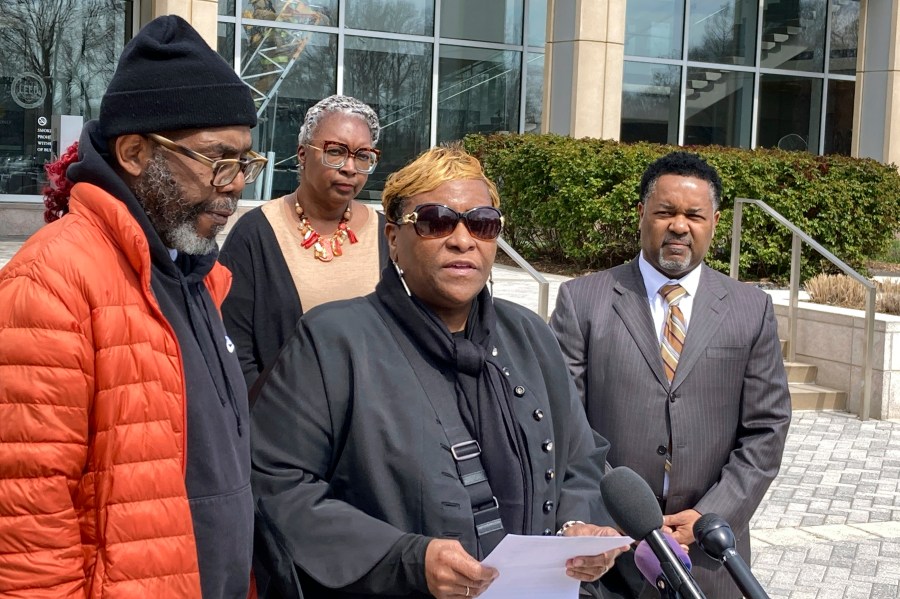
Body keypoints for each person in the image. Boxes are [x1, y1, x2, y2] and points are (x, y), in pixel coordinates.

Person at [250, 147, 627, 599]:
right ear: (393, 239)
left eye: (482, 223)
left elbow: (581, 460)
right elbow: (277, 485)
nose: (462, 240)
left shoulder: (528, 334)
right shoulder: (335, 340)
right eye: (436, 221)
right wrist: (407, 559)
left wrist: (578, 527)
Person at [0, 16, 263, 598]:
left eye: (246, 162)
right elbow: (25, 531)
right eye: (218, 159)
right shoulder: (51, 283)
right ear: (136, 152)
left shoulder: (198, 276)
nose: (236, 184)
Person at [550, 151, 792, 599]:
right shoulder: (581, 301)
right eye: (665, 212)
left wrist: (712, 514)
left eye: (694, 215)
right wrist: (618, 513)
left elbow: (767, 428)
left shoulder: (750, 308)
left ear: (714, 221)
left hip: (708, 555)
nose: (679, 226)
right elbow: (563, 424)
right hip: (608, 553)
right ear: (642, 213)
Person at [219, 95, 389, 391]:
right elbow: (235, 350)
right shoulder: (256, 233)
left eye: (363, 156)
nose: (350, 167)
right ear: (301, 155)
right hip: (282, 422)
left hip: (375, 421)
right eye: (335, 152)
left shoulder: (388, 235)